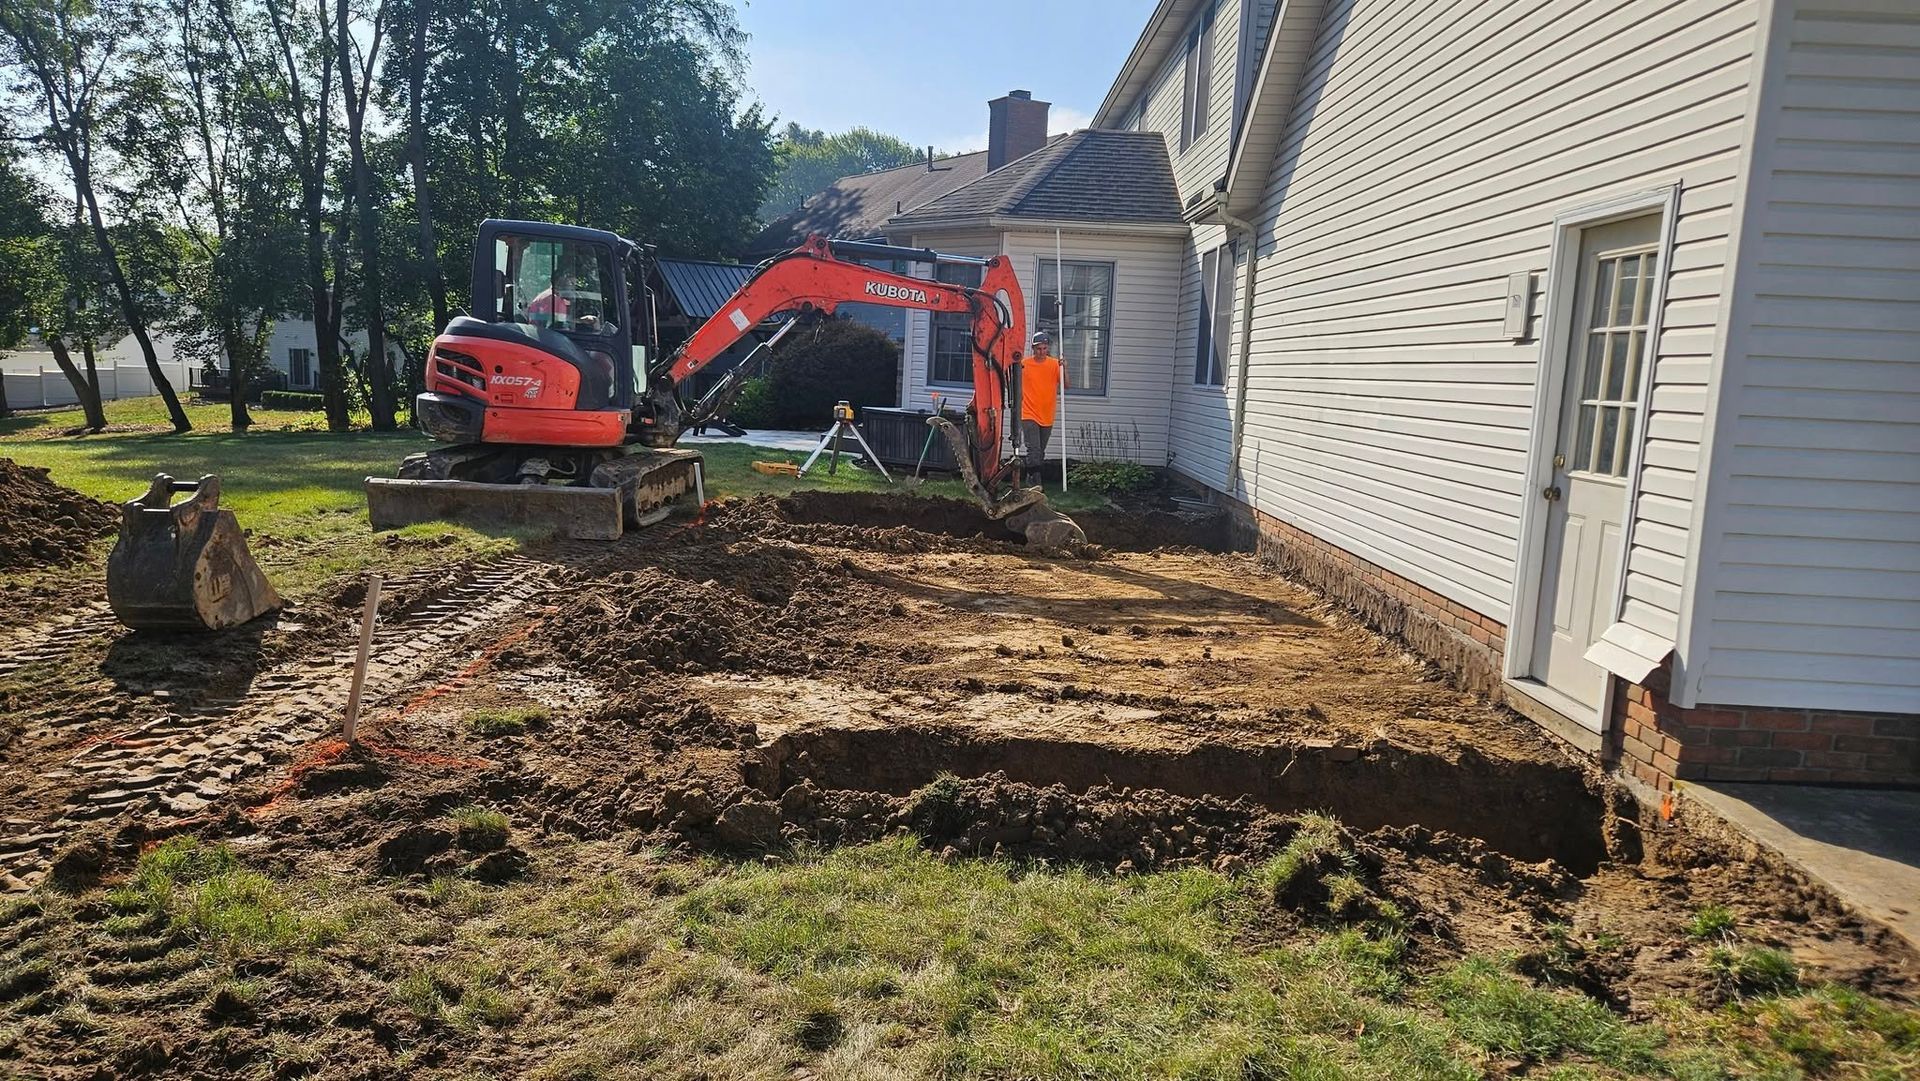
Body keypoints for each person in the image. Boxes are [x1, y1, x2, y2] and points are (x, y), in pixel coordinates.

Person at [1019, 329, 1064, 474]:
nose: (1042, 351)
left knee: (1040, 450)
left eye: (1044, 348)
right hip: (1028, 412)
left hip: (1047, 413)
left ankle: (1033, 477)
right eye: (1038, 348)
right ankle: (1034, 483)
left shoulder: (1055, 364)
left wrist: (1065, 368)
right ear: (1033, 348)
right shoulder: (1023, 364)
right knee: (1034, 449)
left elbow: (1066, 385)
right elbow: (1011, 382)